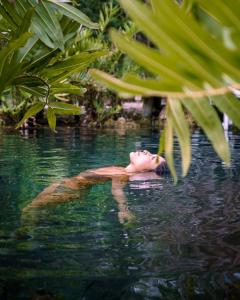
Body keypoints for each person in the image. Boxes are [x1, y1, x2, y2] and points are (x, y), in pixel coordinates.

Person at [23, 150, 169, 223]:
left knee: (32, 207)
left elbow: (117, 190)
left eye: (151, 158)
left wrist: (123, 209)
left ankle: (24, 230)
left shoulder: (122, 176)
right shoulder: (121, 170)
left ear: (145, 171)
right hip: (73, 185)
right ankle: (30, 225)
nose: (146, 151)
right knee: (38, 207)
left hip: (71, 187)